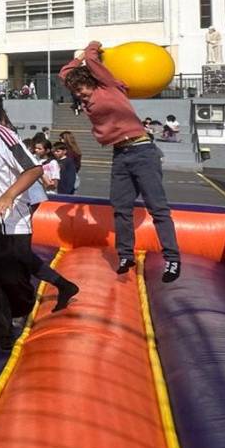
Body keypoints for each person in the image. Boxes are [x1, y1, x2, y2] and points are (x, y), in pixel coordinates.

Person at [0, 86, 79, 351]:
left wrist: (9, 195)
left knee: (13, 277)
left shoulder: (1, 135)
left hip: (12, 221)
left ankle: (24, 308)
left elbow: (33, 169)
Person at [61, 41, 181, 282]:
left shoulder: (109, 87)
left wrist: (91, 48)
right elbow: (64, 74)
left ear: (92, 82)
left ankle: (173, 259)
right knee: (120, 207)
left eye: (82, 88)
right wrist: (75, 60)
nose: (79, 94)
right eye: (75, 92)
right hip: (120, 154)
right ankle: (125, 254)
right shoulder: (86, 101)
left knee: (157, 207)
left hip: (143, 150)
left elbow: (93, 62)